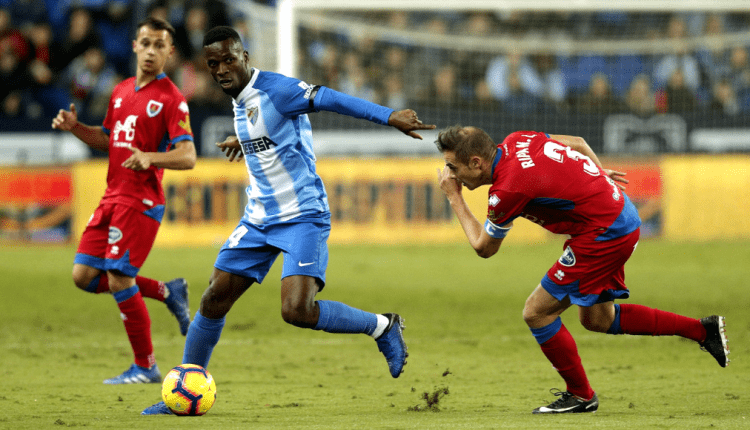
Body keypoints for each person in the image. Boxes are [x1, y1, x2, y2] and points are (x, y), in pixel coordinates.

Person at [141, 26, 435, 415]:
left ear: (246, 57)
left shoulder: (277, 90)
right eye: (214, 64)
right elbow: (266, 128)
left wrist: (389, 116)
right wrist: (241, 141)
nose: (223, 69)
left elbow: (328, 98)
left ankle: (382, 326)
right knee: (213, 299)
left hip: (302, 217)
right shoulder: (240, 99)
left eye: (230, 59)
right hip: (259, 218)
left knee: (296, 311)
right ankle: (184, 390)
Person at [434, 125, 729, 414]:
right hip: (620, 214)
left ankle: (581, 395)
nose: (451, 175)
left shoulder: (507, 189)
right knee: (598, 319)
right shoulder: (519, 138)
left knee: (536, 312)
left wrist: (454, 197)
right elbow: (577, 142)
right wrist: (599, 179)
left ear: (476, 162)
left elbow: (484, 247)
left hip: (604, 233)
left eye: (453, 167)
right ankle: (703, 330)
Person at [51, 17, 196, 385]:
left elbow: (188, 155)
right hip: (111, 195)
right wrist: (75, 127)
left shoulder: (171, 99)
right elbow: (107, 139)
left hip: (141, 201)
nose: (151, 51)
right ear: (134, 45)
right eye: (145, 43)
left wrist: (151, 157)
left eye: (159, 45)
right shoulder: (120, 91)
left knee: (118, 278)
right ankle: (168, 291)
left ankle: (146, 366)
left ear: (170, 52)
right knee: (83, 276)